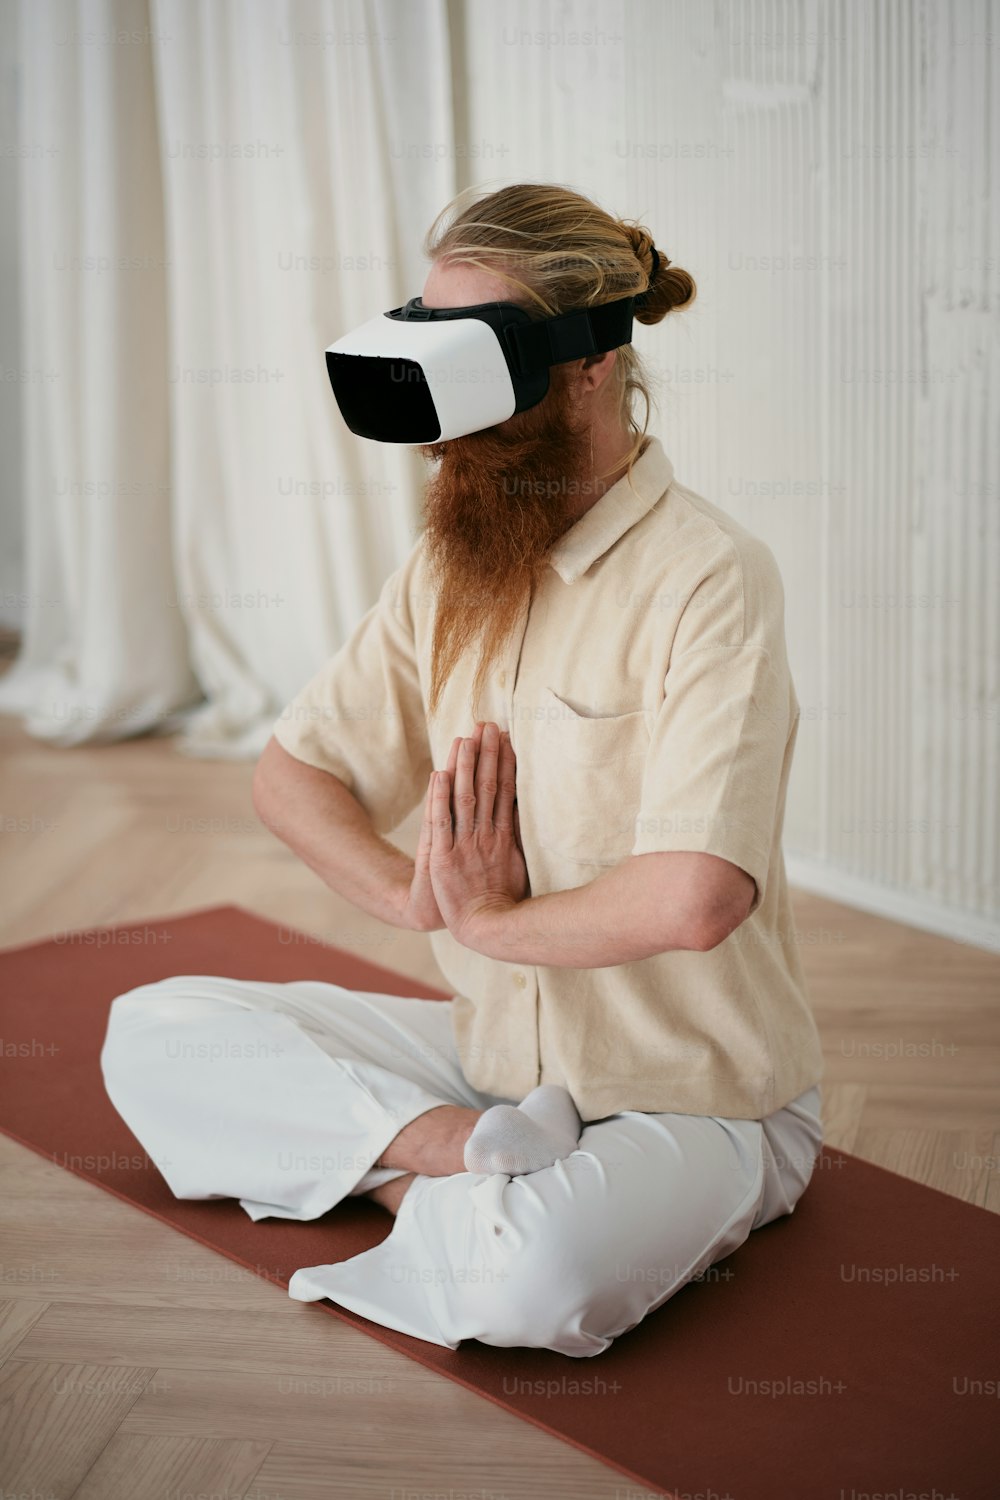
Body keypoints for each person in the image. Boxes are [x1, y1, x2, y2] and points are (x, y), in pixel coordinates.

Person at [100, 182, 825, 1358]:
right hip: (491, 1064)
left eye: (474, 351)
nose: (442, 417)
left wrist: (487, 923)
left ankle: (398, 1173)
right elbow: (294, 775)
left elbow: (698, 897)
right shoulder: (454, 561)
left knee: (533, 1281)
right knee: (152, 1028)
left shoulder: (709, 575)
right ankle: (439, 1153)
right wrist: (411, 898)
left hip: (694, 1092)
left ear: (590, 364)